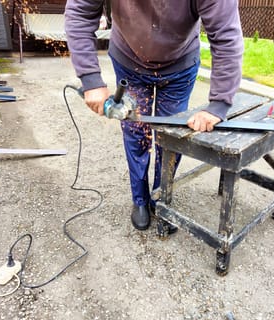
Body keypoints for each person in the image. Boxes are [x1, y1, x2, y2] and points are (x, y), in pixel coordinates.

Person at [65, 0, 243, 231]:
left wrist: (218, 104)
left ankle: (162, 196)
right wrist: (90, 79)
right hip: (129, 59)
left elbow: (226, 37)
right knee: (136, 132)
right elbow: (80, 11)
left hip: (180, 63)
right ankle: (139, 199)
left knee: (171, 137)